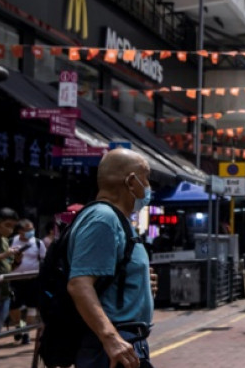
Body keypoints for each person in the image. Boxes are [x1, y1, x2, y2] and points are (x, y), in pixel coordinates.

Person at [66, 148, 157, 368]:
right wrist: (111, 338)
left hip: (127, 343)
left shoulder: (119, 220)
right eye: (146, 177)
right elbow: (79, 284)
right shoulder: (103, 219)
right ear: (131, 181)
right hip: (111, 348)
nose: (148, 186)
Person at [9, 218, 46, 344]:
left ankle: (26, 332)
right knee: (14, 307)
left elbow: (43, 259)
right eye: (28, 230)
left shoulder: (38, 243)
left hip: (32, 280)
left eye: (32, 229)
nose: (31, 232)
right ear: (20, 231)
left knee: (32, 307)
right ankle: (19, 327)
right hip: (14, 280)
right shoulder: (11, 241)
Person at [0, 208, 19, 356]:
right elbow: (3, 257)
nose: (10, 230)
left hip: (4, 293)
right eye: (7, 225)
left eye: (13, 226)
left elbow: (8, 265)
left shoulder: (4, 240)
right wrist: (5, 254)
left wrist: (16, 260)